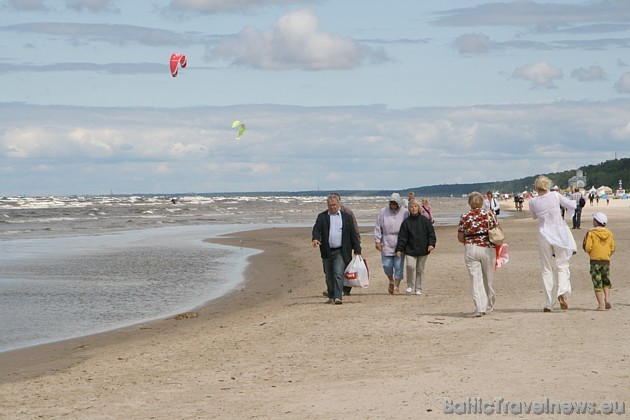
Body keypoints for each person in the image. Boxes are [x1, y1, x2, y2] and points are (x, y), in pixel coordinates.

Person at [528, 175, 577, 312]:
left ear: (536, 187)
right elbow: (572, 205)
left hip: (544, 234)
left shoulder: (532, 201)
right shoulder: (555, 196)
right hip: (559, 233)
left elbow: (534, 216)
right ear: (548, 185)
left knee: (546, 268)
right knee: (562, 265)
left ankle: (548, 303)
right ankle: (562, 292)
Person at [312, 194, 362, 305]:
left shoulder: (346, 217)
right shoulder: (322, 217)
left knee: (338, 273)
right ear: (327, 205)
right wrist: (315, 238)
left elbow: (352, 234)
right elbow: (316, 229)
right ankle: (331, 295)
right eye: (330, 205)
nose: (332, 207)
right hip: (327, 250)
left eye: (334, 205)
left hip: (341, 251)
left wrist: (357, 249)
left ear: (339, 204)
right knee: (329, 275)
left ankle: (338, 297)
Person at [457, 192, 497, 317]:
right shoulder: (489, 214)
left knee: (475, 279)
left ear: (469, 203)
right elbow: (496, 229)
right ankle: (489, 305)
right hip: (487, 247)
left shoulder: (465, 216)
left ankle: (480, 308)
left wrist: (469, 240)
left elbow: (460, 237)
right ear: (482, 202)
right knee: (488, 278)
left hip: (471, 247)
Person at [395, 200, 436, 295]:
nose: (413, 208)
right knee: (410, 266)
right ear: (409, 209)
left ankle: (418, 288)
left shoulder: (425, 221)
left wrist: (431, 244)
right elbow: (402, 237)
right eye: (411, 207)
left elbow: (431, 234)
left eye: (415, 206)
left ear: (418, 208)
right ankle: (410, 285)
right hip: (410, 249)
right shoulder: (406, 222)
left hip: (423, 249)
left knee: (420, 269)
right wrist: (399, 249)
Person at [374, 193, 409, 295]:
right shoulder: (383, 212)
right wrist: (377, 240)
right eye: (392, 203)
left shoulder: (405, 212)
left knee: (398, 266)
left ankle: (397, 287)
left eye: (395, 203)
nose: (393, 205)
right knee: (387, 265)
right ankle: (391, 280)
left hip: (400, 241)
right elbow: (378, 226)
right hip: (386, 240)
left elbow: (409, 226)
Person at [582, 212, 615, 311]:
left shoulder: (591, 233)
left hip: (595, 260)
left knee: (597, 282)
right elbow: (612, 247)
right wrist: (607, 254)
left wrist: (591, 253)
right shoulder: (609, 233)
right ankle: (607, 299)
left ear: (596, 222)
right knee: (606, 280)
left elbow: (587, 247)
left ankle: (601, 305)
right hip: (606, 260)